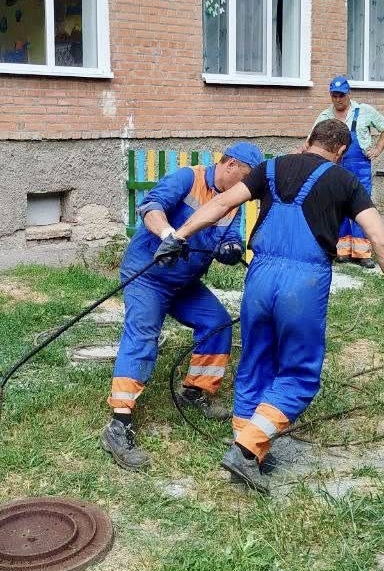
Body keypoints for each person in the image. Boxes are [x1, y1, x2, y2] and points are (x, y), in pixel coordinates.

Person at [160, 119, 384, 494]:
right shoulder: (344, 180)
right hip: (303, 283)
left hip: (260, 278)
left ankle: (251, 450)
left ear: (309, 140)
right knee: (299, 374)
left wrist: (177, 236)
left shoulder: (270, 168)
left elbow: (221, 202)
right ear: (341, 151)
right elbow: (382, 241)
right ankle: (247, 449)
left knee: (255, 363)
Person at [101, 140, 265, 471]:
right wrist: (167, 235)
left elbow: (230, 236)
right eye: (247, 177)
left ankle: (195, 392)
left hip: (184, 284)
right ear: (230, 165)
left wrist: (232, 249)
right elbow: (151, 206)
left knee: (217, 324)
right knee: (143, 336)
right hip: (148, 277)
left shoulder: (233, 200)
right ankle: (118, 424)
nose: (249, 188)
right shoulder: (188, 178)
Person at [313, 76, 384, 268]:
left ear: (349, 94)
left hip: (360, 168)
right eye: (334, 95)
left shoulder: (364, 111)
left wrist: (377, 149)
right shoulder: (324, 116)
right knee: (337, 206)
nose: (338, 99)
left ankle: (362, 253)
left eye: (341, 95)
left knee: (361, 207)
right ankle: (341, 250)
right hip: (335, 168)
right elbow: (311, 140)